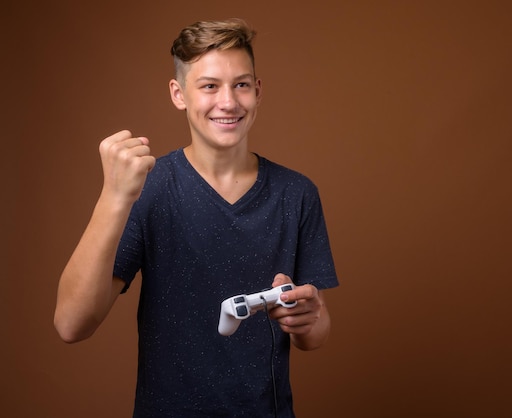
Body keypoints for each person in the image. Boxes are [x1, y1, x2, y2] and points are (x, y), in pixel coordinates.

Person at [54, 18, 339, 417]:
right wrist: (114, 196)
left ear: (257, 92)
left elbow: (315, 334)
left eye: (241, 84)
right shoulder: (149, 189)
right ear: (179, 94)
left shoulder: (297, 192)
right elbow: (71, 324)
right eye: (209, 86)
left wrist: (308, 317)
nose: (228, 101)